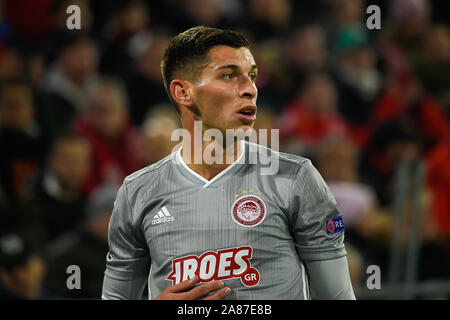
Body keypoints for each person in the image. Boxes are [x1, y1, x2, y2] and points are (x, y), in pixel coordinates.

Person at [102, 26, 356, 300]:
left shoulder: (295, 178)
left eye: (253, 77)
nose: (250, 89)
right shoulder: (137, 191)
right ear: (183, 92)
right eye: (229, 76)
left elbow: (339, 296)